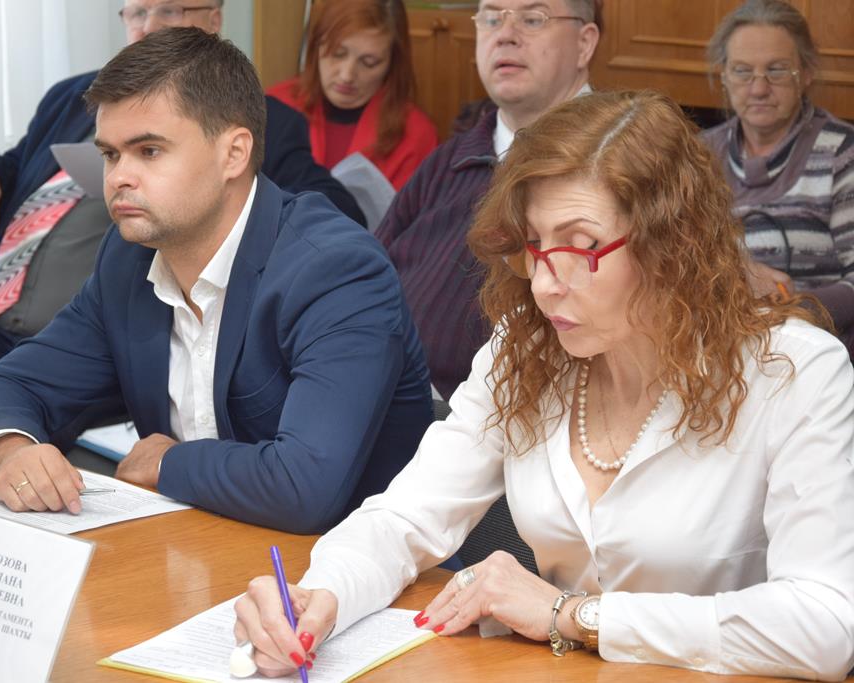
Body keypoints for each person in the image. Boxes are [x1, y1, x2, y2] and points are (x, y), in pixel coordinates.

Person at [233, 91, 854, 680]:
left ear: (674, 246)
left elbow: (827, 624)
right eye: (535, 244)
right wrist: (321, 595)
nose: (544, 282)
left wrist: (573, 616)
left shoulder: (795, 373)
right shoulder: (525, 349)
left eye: (581, 247)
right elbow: (406, 516)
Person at [0, 27, 433, 536]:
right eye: (110, 154)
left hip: (356, 568)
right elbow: (7, 385)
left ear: (234, 154)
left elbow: (305, 487)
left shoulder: (337, 270)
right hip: (199, 548)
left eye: (149, 151)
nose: (118, 178)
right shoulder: (128, 259)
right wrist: (10, 450)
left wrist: (167, 463)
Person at [0, 0, 365, 434]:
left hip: (104, 340)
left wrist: (193, 201)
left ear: (213, 20)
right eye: (137, 12)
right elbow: (19, 164)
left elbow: (325, 213)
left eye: (169, 11)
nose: (148, 26)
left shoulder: (249, 120)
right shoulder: (73, 97)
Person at [377, 0, 601, 400]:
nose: (506, 35)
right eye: (492, 18)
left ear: (584, 44)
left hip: (528, 418)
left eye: (532, 19)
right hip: (391, 398)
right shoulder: (449, 160)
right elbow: (370, 276)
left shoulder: (615, 165)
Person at [702, 0, 854, 355]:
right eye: (742, 71)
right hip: (718, 352)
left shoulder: (842, 153)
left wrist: (787, 304)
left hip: (816, 357)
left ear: (807, 73)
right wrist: (738, 273)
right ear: (724, 76)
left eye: (777, 70)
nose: (758, 89)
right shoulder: (698, 155)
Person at [267, 0, 436, 192]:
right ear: (315, 47)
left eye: (369, 62)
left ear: (392, 64)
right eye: (337, 54)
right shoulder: (274, 107)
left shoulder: (416, 134)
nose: (347, 75)